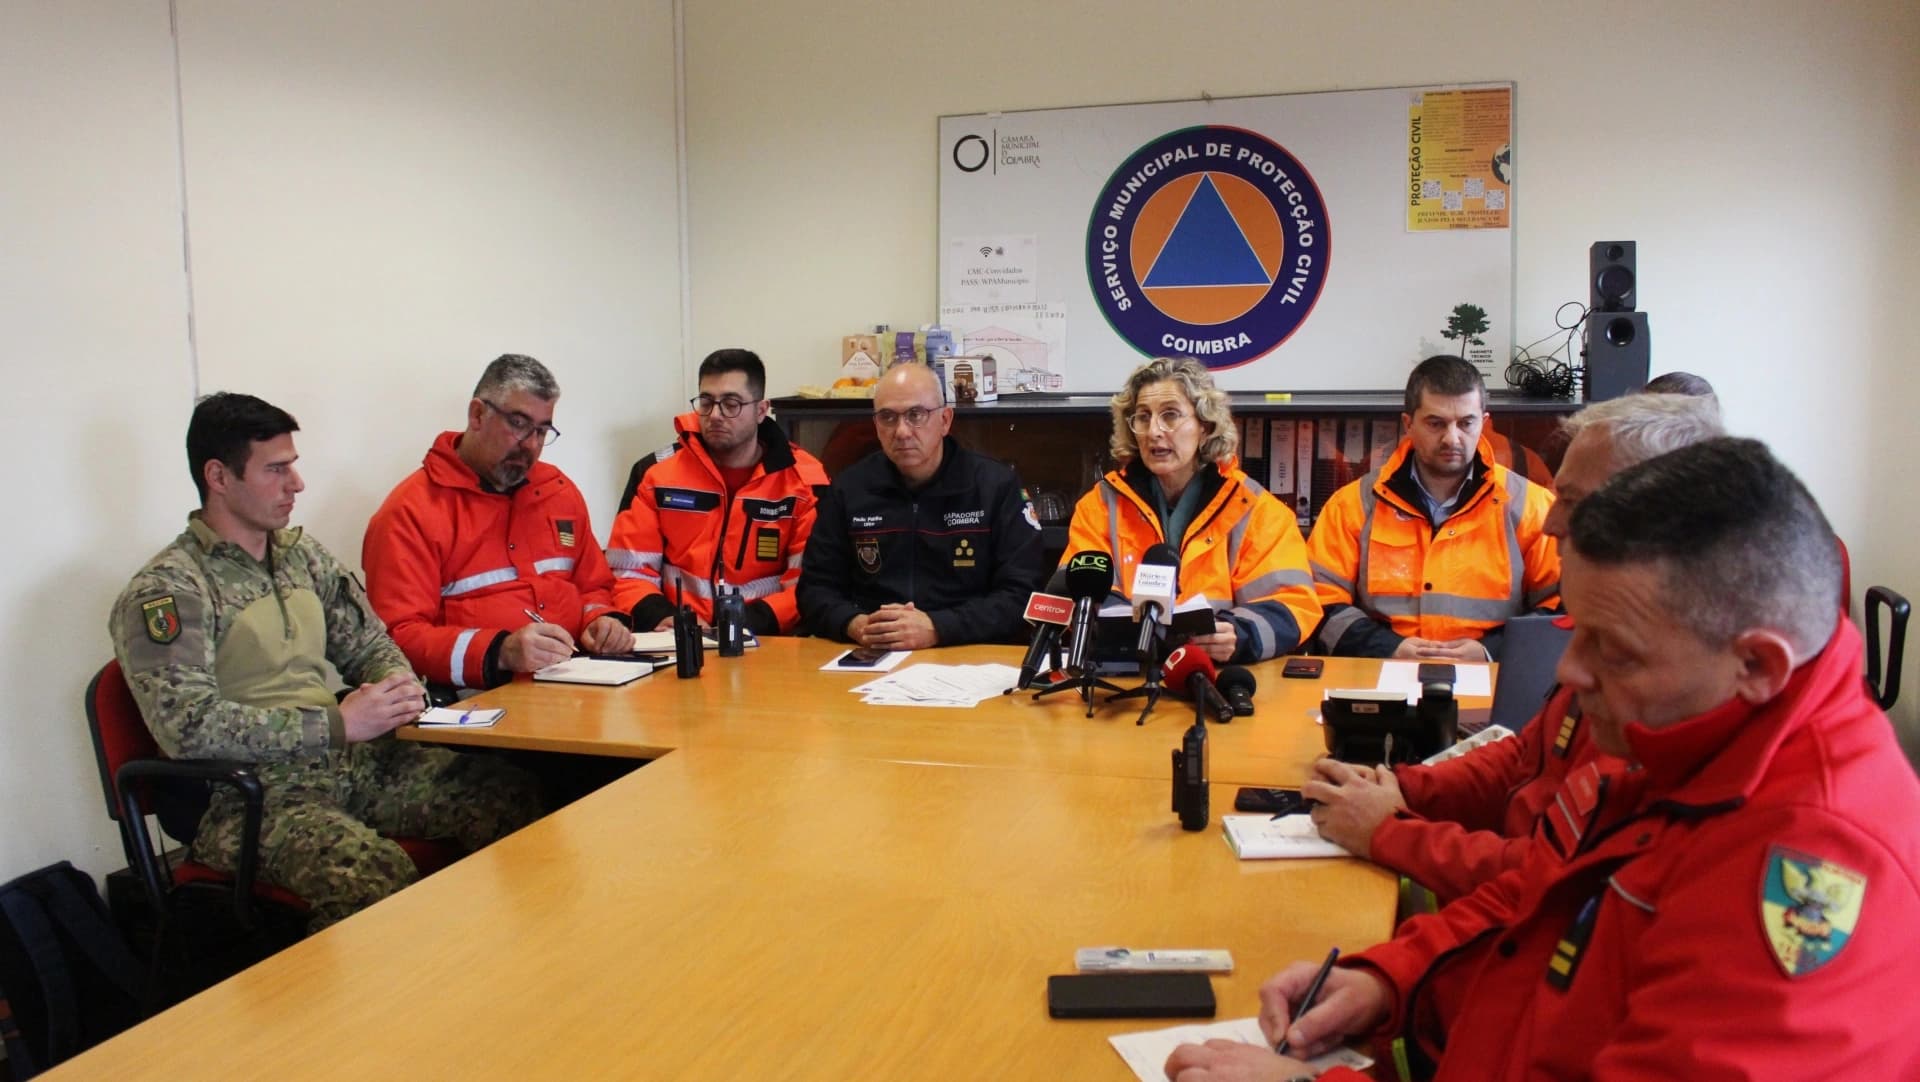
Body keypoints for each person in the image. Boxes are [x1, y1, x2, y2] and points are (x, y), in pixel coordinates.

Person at [1167, 438, 1920, 1081]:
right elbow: (1545, 887)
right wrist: (1388, 978)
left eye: (1612, 649)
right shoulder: (1691, 730)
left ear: (1757, 663)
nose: (1567, 673)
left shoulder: (1809, 868)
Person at [110, 394, 541, 932]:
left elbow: (367, 642)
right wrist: (337, 724)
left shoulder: (299, 556)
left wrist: (395, 683)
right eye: (276, 468)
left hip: (351, 762)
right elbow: (188, 728)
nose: (297, 483)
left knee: (510, 796)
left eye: (293, 464)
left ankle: (510, 965)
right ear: (218, 476)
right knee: (370, 877)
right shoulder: (171, 589)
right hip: (251, 795)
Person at [1303, 394, 1724, 904]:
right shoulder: (1623, 633)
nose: (1550, 523)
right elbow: (1526, 756)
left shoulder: (1686, 694)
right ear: (1408, 425)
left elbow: (1552, 882)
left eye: (1573, 500)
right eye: (1435, 423)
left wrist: (1389, 831)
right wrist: (1403, 788)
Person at [363, 354, 632, 693]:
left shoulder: (559, 492)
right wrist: (500, 652)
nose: (531, 445)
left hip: (581, 685)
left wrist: (601, 620)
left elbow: (594, 585)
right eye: (518, 424)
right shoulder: (409, 513)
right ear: (477, 415)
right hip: (480, 705)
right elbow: (395, 639)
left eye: (542, 430)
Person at [1061, 357, 1320, 663]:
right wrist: (1129, 632)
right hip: (1126, 677)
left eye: (1170, 415)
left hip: (1218, 677)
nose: (1154, 431)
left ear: (1205, 427)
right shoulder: (1101, 503)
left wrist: (1237, 634)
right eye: (1143, 417)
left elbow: (1294, 604)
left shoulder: (1257, 509)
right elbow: (1076, 592)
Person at [1307, 355, 1558, 661]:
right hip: (1379, 673)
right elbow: (1319, 600)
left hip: (1495, 675)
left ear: (1485, 421)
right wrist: (1387, 648)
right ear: (1408, 424)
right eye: (1436, 423)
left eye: (1466, 423)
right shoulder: (1352, 505)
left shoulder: (1532, 506)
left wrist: (1491, 652)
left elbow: (1561, 607)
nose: (1452, 438)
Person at [796, 362, 1045, 649]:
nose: (901, 431)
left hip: (968, 652)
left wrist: (939, 628)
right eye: (888, 417)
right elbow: (814, 590)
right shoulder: (849, 488)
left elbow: (1023, 595)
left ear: (945, 420)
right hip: (872, 651)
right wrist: (853, 624)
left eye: (916, 415)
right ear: (876, 425)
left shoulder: (995, 487)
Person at [605, 349, 828, 636]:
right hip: (676, 638)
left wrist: (743, 625)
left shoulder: (806, 481)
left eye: (731, 404)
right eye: (706, 402)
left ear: (761, 411)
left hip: (768, 638)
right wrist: (662, 617)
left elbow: (812, 583)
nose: (715, 415)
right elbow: (627, 570)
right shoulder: (654, 473)